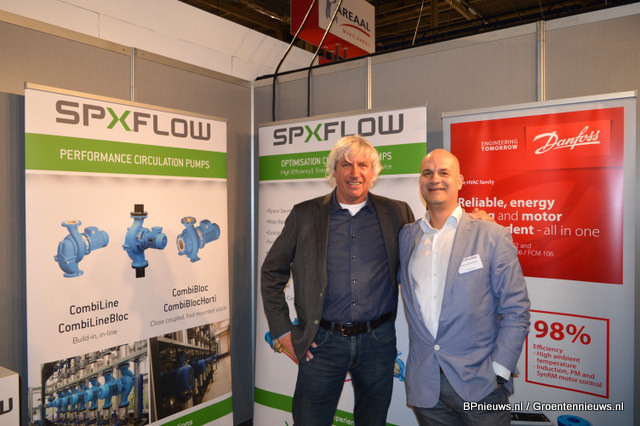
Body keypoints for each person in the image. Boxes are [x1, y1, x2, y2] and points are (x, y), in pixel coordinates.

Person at [261, 135, 414, 425]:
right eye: (346, 165)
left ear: (373, 171)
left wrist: (473, 223)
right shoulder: (305, 214)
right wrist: (282, 331)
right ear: (334, 170)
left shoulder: (397, 212)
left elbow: (428, 246)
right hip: (322, 343)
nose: (355, 173)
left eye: (363, 165)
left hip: (378, 342)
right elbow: (272, 272)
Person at [398, 149, 530, 425]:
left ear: (459, 181)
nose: (435, 179)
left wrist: (499, 370)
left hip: (481, 385)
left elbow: (516, 310)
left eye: (444, 172)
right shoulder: (407, 236)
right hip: (426, 388)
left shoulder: (491, 234)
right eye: (427, 173)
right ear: (420, 181)